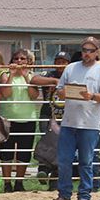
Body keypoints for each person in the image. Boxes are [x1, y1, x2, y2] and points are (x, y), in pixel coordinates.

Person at [51, 37, 100, 200]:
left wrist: (92, 96)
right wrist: (63, 93)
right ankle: (64, 194)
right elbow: (59, 89)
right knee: (64, 161)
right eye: (85, 50)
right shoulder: (71, 68)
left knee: (86, 161)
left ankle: (84, 194)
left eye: (90, 50)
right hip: (69, 122)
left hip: (90, 124)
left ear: (96, 52)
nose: (87, 53)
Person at [0, 49, 39, 192]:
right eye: (16, 59)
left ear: (28, 62)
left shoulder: (32, 76)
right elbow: (6, 93)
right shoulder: (5, 75)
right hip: (8, 118)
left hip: (28, 118)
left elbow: (34, 95)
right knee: (6, 152)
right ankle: (7, 183)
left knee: (24, 152)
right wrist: (12, 75)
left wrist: (26, 77)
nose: (19, 61)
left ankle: (19, 182)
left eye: (22, 59)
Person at [30, 51, 71, 189]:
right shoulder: (50, 74)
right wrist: (53, 81)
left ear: (68, 64)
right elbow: (34, 80)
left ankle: (55, 178)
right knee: (46, 141)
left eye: (63, 62)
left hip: (66, 115)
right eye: (58, 61)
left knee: (61, 146)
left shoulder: (71, 75)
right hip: (48, 114)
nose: (60, 64)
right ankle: (43, 169)